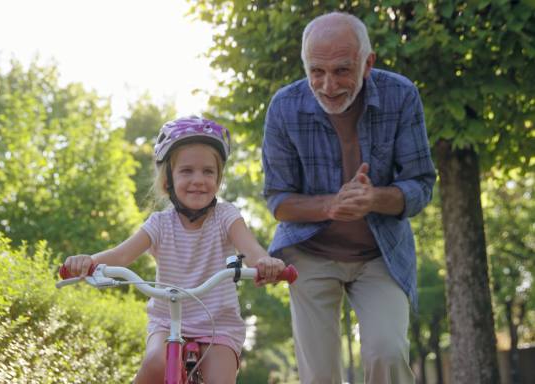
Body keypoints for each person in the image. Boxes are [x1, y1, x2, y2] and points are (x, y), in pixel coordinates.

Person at [261, 12, 436, 384]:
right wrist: (330, 206)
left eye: (342, 70)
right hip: (309, 253)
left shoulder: (401, 96)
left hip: (380, 253)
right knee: (319, 374)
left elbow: (421, 186)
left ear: (367, 63)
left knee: (387, 352)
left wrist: (373, 198)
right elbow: (278, 199)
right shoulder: (283, 107)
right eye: (316, 71)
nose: (328, 85)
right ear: (305, 65)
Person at [63, 116, 287, 384]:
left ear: (218, 178)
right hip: (167, 321)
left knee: (219, 379)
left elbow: (250, 248)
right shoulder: (160, 223)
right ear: (168, 180)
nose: (198, 180)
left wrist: (265, 263)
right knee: (156, 362)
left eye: (208, 171)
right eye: (186, 171)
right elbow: (121, 255)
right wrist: (87, 262)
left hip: (219, 324)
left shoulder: (225, 216)